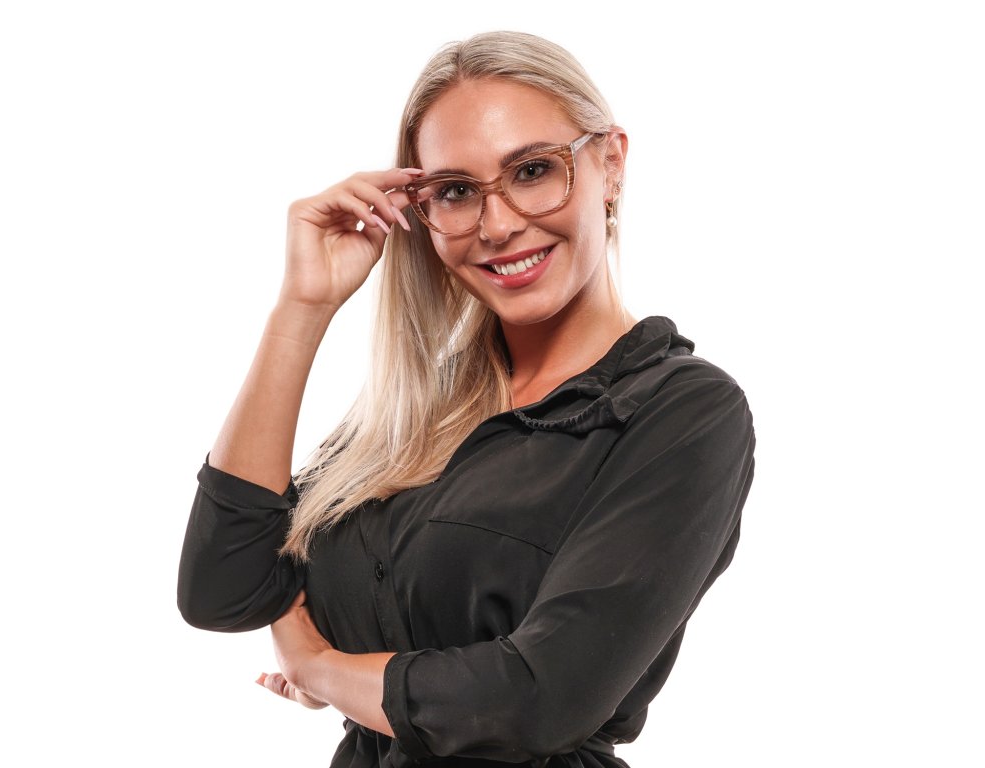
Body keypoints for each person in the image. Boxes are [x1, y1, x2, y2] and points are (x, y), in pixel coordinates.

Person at [178, 30, 756, 767]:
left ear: (610, 164)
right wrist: (302, 306)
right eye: (455, 191)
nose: (499, 224)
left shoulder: (682, 413)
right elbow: (223, 588)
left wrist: (319, 667)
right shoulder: (418, 411)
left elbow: (534, 701)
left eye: (533, 171)